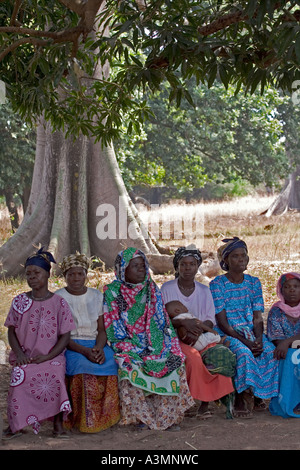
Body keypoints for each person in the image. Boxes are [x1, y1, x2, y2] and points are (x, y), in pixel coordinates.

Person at [103, 247, 194, 430]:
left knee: (173, 359)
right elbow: (113, 326)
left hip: (155, 340)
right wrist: (133, 346)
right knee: (129, 364)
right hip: (127, 342)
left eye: (143, 266)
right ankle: (141, 417)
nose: (141, 270)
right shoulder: (112, 292)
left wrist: (157, 345)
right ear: (123, 269)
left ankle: (167, 417)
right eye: (135, 266)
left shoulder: (151, 288)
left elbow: (161, 321)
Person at [3, 247, 74, 439]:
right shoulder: (19, 301)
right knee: (19, 374)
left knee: (56, 375)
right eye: (28, 274)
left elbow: (65, 336)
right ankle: (16, 425)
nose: (32, 277)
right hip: (26, 356)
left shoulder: (59, 303)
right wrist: (20, 355)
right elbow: (11, 331)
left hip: (51, 357)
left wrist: (48, 357)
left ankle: (58, 425)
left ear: (48, 275)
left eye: (37, 273)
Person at [161, 247, 235, 419]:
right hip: (176, 337)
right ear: (177, 266)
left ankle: (207, 403)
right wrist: (182, 323)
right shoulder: (167, 288)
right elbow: (161, 319)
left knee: (220, 354)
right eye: (183, 264)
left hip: (201, 333)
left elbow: (210, 319)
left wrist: (197, 329)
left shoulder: (204, 290)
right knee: (193, 357)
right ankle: (191, 401)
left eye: (192, 264)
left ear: (198, 266)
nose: (188, 268)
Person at [210, 237, 279, 418]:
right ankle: (240, 397)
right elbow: (222, 321)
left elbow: (257, 316)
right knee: (243, 354)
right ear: (225, 261)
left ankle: (257, 395)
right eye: (235, 256)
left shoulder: (253, 282)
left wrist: (258, 338)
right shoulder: (217, 284)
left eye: (244, 255)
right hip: (229, 332)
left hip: (251, 332)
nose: (241, 259)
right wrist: (246, 342)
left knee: (269, 351)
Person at [56, 253, 120, 433]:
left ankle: (107, 415)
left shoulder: (96, 295)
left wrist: (99, 348)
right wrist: (85, 351)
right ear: (65, 276)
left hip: (96, 343)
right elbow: (63, 335)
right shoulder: (59, 298)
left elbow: (102, 329)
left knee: (112, 362)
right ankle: (83, 419)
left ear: (86, 275)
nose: (76, 278)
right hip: (71, 345)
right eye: (71, 274)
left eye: (80, 274)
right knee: (82, 367)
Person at [267, 272, 300, 418]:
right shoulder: (276, 310)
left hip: (289, 347)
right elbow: (276, 338)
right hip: (285, 350)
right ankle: (291, 402)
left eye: (296, 286)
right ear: (281, 290)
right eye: (287, 287)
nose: (292, 290)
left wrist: (287, 342)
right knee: (288, 357)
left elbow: (284, 343)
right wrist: (286, 344)